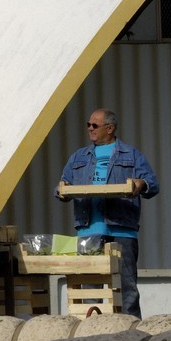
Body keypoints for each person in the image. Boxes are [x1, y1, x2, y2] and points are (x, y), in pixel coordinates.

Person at [56, 107, 159, 318]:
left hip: (122, 231)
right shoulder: (78, 157)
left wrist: (140, 183)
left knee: (126, 288)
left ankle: (130, 331)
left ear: (110, 128)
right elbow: (61, 187)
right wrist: (62, 190)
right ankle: (94, 333)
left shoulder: (131, 155)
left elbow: (152, 185)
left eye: (95, 125)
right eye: (88, 125)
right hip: (88, 232)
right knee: (91, 288)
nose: (90, 129)